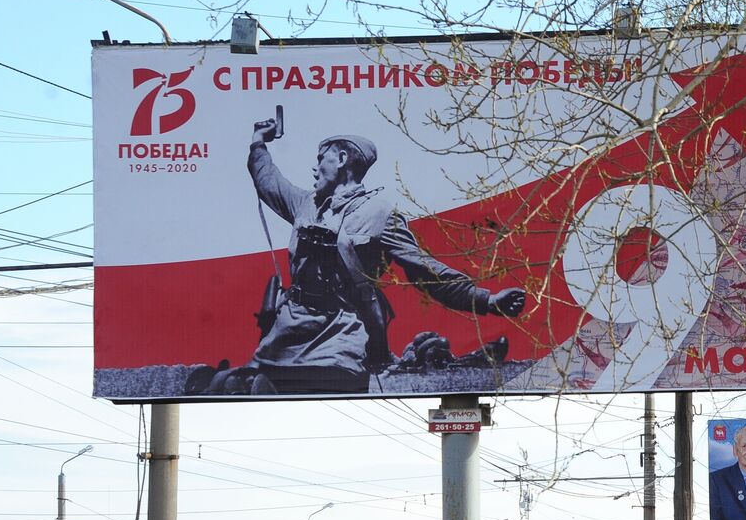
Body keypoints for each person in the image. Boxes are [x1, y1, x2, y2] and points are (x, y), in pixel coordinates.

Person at [197, 118, 527, 395]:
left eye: (321, 156)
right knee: (235, 385)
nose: (315, 165)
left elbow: (427, 273)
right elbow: (268, 181)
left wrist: (487, 300)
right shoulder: (305, 203)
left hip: (338, 340)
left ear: (341, 159)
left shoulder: (379, 214)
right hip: (284, 337)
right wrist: (258, 143)